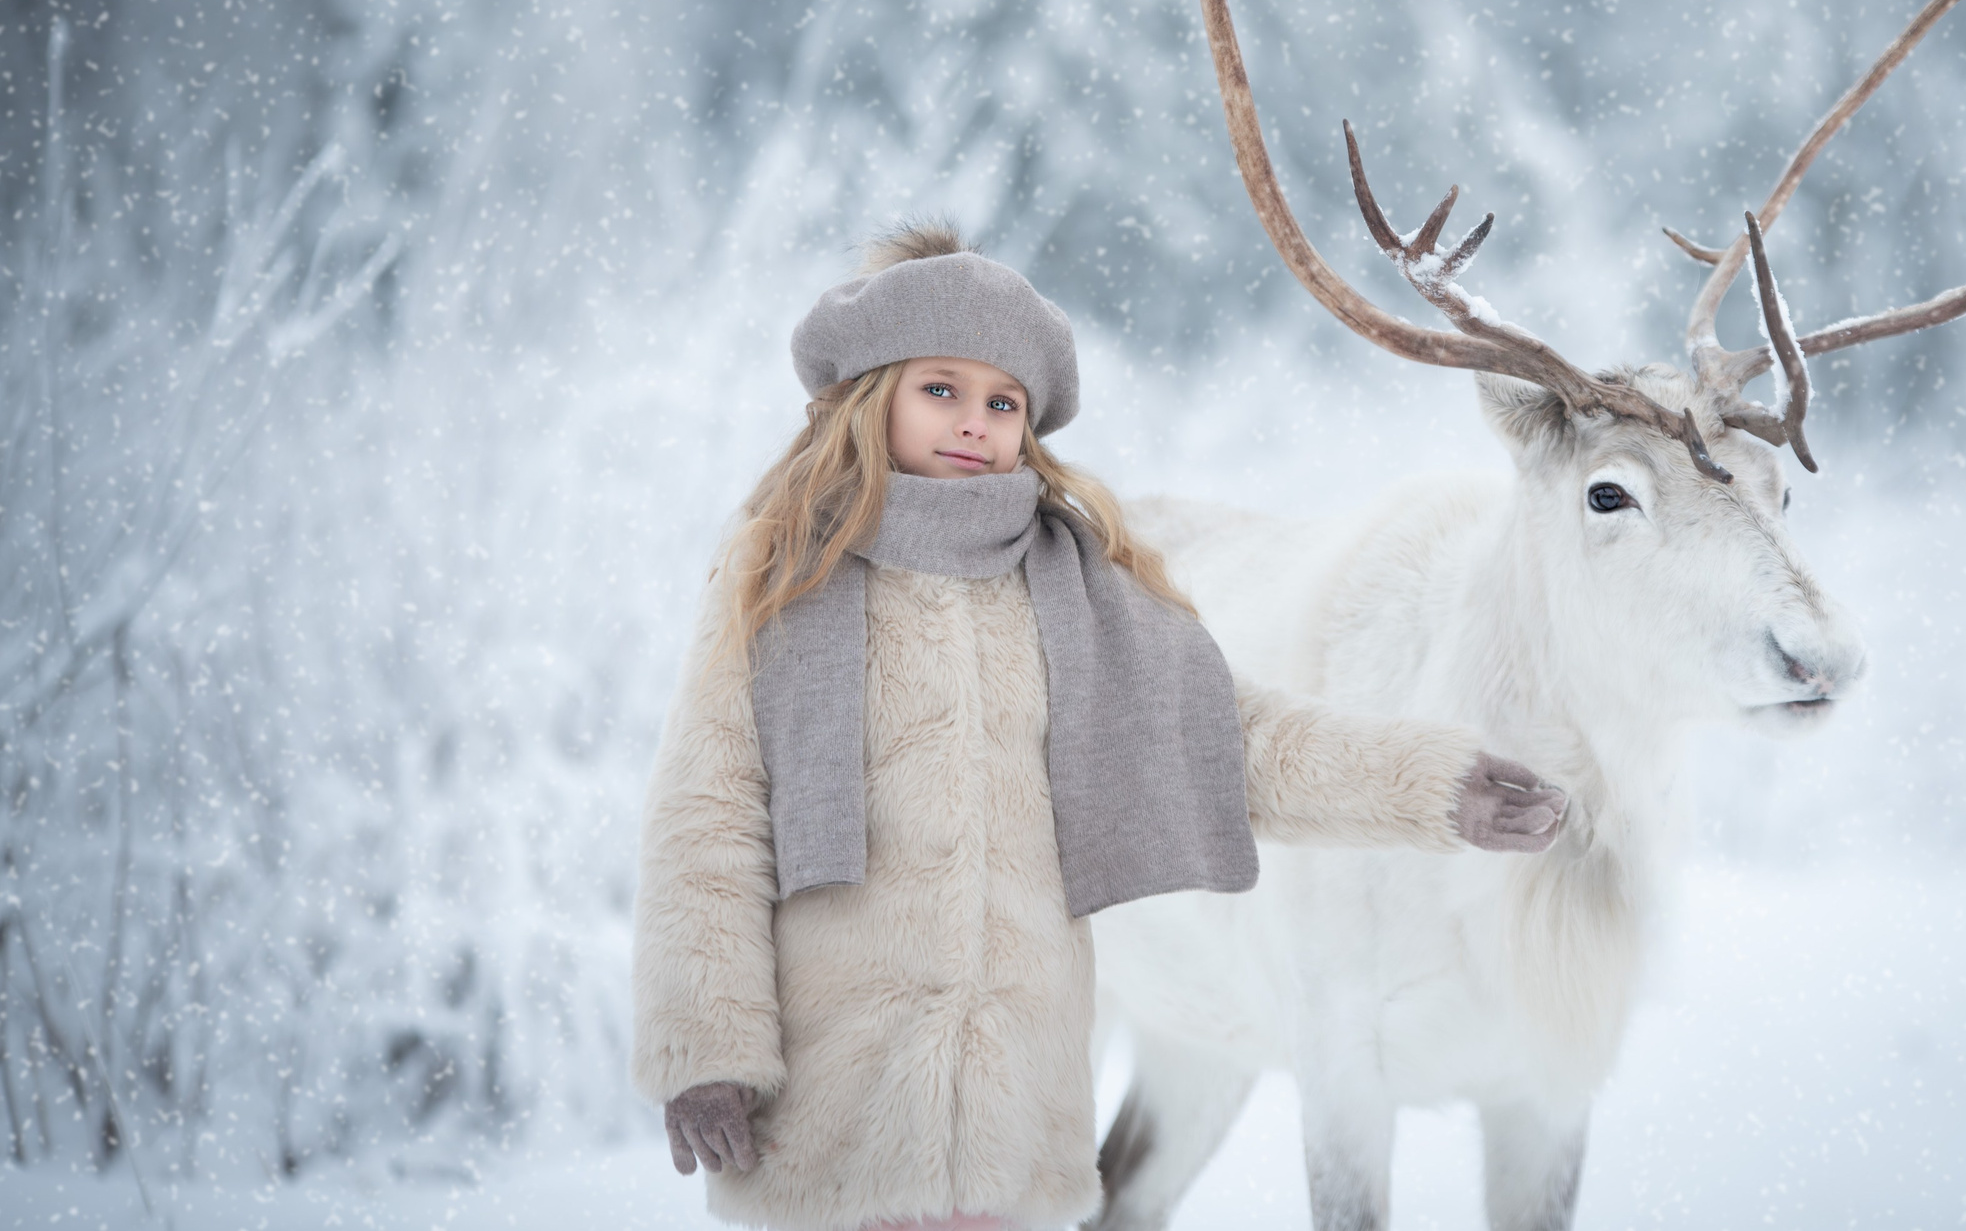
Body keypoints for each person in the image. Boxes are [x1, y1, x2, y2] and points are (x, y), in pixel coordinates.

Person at [630, 223, 1567, 1231]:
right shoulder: (782, 579)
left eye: (1003, 401)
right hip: (836, 1117)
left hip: (1012, 1123)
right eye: (940, 388)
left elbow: (1235, 741)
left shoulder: (1076, 586)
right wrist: (707, 1052)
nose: (973, 421)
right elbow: (707, 823)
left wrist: (1434, 783)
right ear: (872, 389)